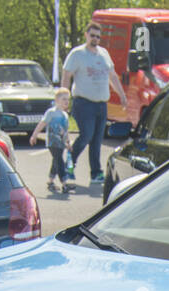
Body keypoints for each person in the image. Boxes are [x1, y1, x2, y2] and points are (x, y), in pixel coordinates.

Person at [60, 21, 126, 187]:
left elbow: (113, 76)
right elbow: (67, 75)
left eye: (98, 36)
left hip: (101, 104)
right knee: (86, 135)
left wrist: (122, 95)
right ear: (86, 35)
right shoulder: (77, 54)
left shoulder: (103, 54)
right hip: (83, 103)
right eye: (92, 35)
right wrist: (63, 97)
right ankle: (69, 164)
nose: (95, 39)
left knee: (96, 140)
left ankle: (96, 173)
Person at [31, 88, 77, 194]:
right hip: (52, 142)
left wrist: (68, 143)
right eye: (63, 99)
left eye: (68, 99)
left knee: (56, 161)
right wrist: (34, 135)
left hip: (61, 143)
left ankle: (50, 181)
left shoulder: (65, 115)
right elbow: (42, 123)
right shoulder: (51, 113)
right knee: (59, 160)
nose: (66, 102)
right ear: (56, 100)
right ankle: (64, 183)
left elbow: (65, 132)